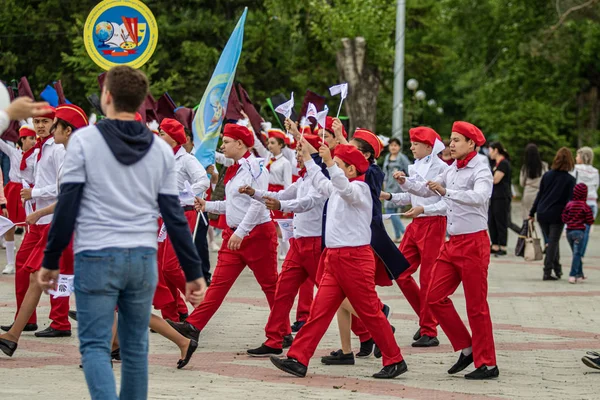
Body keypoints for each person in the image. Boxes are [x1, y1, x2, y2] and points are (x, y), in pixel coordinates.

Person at [37, 66, 207, 399]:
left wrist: (51, 258)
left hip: (97, 254)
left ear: (107, 97)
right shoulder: (159, 149)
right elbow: (173, 214)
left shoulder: (85, 140)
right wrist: (193, 271)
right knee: (134, 348)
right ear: (142, 101)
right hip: (142, 257)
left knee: (96, 346)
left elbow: (68, 203)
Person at [270, 143, 407, 379]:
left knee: (371, 313)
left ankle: (395, 359)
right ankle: (298, 358)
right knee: (318, 312)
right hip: (334, 259)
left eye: (339, 165)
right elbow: (322, 180)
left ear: (351, 170)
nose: (332, 168)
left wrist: (330, 163)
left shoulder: (361, 189)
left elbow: (343, 187)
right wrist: (309, 158)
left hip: (354, 259)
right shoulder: (337, 187)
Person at [397, 121, 499, 380]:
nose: (450, 145)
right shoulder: (452, 169)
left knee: (476, 307)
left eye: (456, 140)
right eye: (451, 140)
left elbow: (480, 197)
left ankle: (488, 363)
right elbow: (426, 188)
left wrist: (448, 192)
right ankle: (468, 347)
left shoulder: (481, 168)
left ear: (471, 144)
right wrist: (405, 182)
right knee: (433, 296)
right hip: (452, 243)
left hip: (474, 243)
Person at [168, 123, 279, 344]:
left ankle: (280, 334)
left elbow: (259, 204)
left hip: (256, 236)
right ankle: (193, 325)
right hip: (235, 235)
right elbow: (233, 205)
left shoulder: (255, 167)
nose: (222, 145)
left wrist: (242, 231)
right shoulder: (236, 168)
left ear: (240, 143)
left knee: (270, 287)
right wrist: (207, 205)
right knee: (218, 284)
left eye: (226, 141)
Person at [0, 104, 88, 358]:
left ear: (66, 130)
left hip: (72, 228)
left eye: (52, 123)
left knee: (93, 293)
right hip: (59, 224)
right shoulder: (63, 153)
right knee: (36, 277)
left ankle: (178, 339)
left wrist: (39, 209)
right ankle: (13, 336)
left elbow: (69, 196)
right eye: (38, 122)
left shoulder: (71, 157)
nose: (46, 127)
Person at [244, 134, 326, 357]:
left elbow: (307, 203)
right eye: (298, 150)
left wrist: (282, 204)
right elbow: (281, 193)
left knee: (335, 296)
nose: (297, 155)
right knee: (283, 290)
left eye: (302, 151)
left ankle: (367, 332)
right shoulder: (303, 179)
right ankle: (274, 339)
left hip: (316, 243)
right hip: (298, 244)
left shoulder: (321, 179)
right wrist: (256, 193)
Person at [380, 126, 448, 347]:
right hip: (416, 224)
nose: (411, 147)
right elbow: (411, 195)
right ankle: (428, 318)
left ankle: (430, 330)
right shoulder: (419, 164)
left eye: (415, 144)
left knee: (428, 278)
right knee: (399, 272)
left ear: (428, 146)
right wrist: (388, 195)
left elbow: (428, 193)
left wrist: (405, 183)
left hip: (433, 224)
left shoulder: (442, 168)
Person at [156, 118, 209, 322]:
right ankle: (173, 315)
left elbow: (203, 181)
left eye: (162, 132)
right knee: (162, 268)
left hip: (182, 213)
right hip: (162, 216)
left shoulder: (186, 159)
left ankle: (200, 307)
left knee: (170, 266)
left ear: (173, 137)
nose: (159, 135)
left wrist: (183, 195)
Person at [529, 147, 576, 281]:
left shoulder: (547, 175)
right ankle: (547, 271)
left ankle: (558, 269)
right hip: (558, 215)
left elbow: (540, 194)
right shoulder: (570, 180)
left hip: (542, 213)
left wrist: (532, 212)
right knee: (553, 242)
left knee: (551, 241)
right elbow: (571, 200)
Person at [0, 123, 37, 274]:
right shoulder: (13, 152)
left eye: (35, 139)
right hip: (13, 191)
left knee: (31, 226)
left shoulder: (36, 154)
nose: (34, 142)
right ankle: (10, 263)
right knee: (10, 226)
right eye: (30, 139)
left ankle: (28, 261)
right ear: (22, 140)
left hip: (29, 191)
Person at [562, 183, 595, 283]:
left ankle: (580, 274)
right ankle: (572, 275)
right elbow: (590, 220)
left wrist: (570, 221)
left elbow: (564, 218)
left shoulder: (569, 205)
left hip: (569, 232)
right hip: (579, 232)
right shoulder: (585, 206)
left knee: (576, 253)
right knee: (577, 254)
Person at [382, 138, 409, 242]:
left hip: (398, 188)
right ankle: (398, 235)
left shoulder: (402, 158)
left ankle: (404, 233)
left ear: (399, 147)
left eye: (395, 145)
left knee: (390, 211)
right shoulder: (387, 157)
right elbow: (385, 173)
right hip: (388, 188)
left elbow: (409, 171)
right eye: (391, 145)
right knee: (391, 212)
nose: (393, 147)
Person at [573, 147, 599, 258]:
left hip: (579, 203)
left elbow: (571, 183)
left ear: (583, 157)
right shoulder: (595, 171)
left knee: (577, 230)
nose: (576, 158)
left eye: (577, 155)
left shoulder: (576, 169)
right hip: (592, 203)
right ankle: (581, 254)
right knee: (586, 231)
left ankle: (576, 255)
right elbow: (596, 186)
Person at [487, 142, 511, 256]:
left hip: (502, 196)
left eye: (490, 150)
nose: (489, 153)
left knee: (501, 220)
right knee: (492, 220)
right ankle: (495, 244)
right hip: (493, 196)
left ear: (496, 150)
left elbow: (496, 179)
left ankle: (503, 245)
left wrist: (485, 180)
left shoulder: (504, 163)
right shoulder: (494, 163)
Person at [519, 144, 548, 222]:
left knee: (527, 218)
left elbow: (522, 183)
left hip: (528, 192)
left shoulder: (525, 167)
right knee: (540, 218)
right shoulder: (544, 166)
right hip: (540, 193)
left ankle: (529, 233)